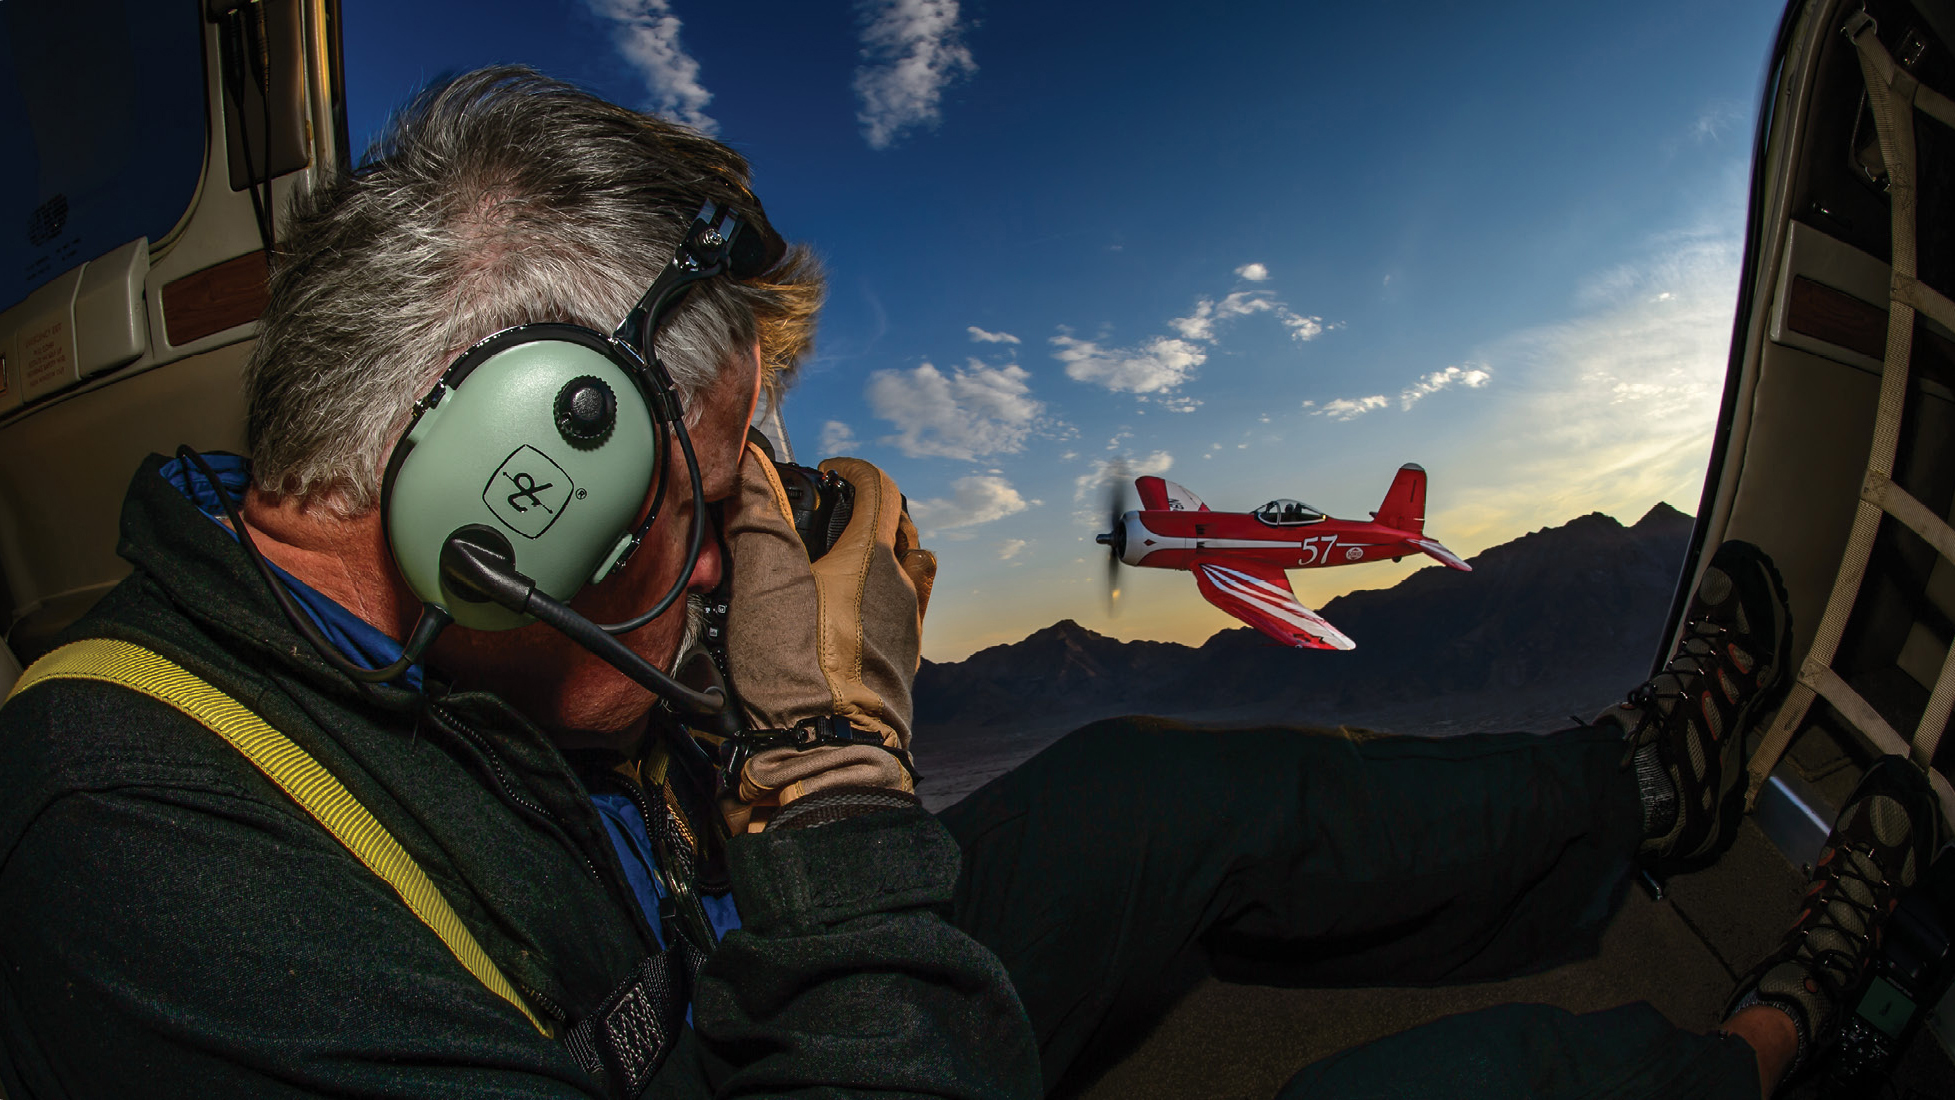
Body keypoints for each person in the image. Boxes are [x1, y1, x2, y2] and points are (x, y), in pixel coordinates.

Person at [0, 66, 1940, 1100]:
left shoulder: (457, 641)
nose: (756, 545)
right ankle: (1777, 1039)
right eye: (714, 498)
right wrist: (829, 771)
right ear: (517, 494)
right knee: (1495, 1085)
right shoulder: (125, 832)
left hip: (717, 1000)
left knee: (1142, 783)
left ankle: (1634, 792)